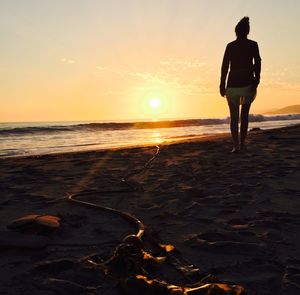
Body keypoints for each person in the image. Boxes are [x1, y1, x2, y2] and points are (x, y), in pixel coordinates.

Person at [220, 17, 261, 153]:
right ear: (247, 31)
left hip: (232, 85)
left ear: (236, 31)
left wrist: (221, 84)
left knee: (234, 117)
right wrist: (257, 78)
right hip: (248, 84)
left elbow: (225, 66)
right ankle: (242, 144)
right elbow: (258, 62)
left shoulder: (230, 46)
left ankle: (236, 146)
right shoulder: (253, 45)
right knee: (244, 116)